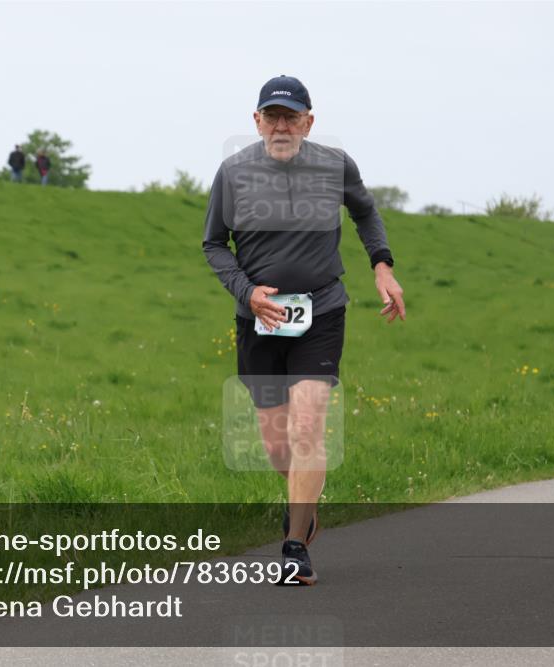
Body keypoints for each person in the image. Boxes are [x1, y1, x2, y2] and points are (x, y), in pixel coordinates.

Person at [203, 75, 406, 585]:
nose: (281, 125)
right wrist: (245, 291)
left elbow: (365, 212)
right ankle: (305, 508)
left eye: (291, 116)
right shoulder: (232, 173)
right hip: (260, 320)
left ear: (309, 122)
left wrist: (382, 265)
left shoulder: (335, 165)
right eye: (271, 116)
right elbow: (214, 245)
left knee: (307, 426)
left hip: (322, 312)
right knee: (277, 446)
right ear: (256, 121)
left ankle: (295, 547)